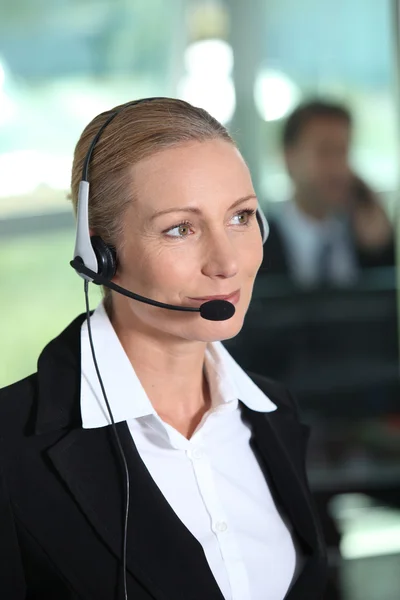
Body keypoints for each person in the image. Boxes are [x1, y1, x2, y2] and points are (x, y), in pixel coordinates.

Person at [0, 98, 327, 600]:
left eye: (240, 217)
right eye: (181, 228)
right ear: (99, 254)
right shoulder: (11, 449)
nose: (227, 264)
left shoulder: (274, 412)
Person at [261, 100, 395, 286]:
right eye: (324, 151)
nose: (337, 168)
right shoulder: (259, 246)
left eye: (343, 151)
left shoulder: (367, 237)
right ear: (288, 158)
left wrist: (383, 248)